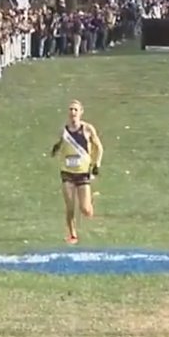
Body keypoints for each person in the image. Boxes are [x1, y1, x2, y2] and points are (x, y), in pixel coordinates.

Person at [49, 100, 102, 244]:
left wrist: (97, 164)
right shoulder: (64, 131)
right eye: (71, 109)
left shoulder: (87, 129)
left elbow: (99, 147)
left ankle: (90, 202)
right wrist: (55, 149)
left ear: (81, 112)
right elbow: (59, 143)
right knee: (70, 205)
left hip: (83, 172)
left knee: (85, 210)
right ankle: (72, 234)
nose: (73, 112)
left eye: (75, 110)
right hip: (67, 172)